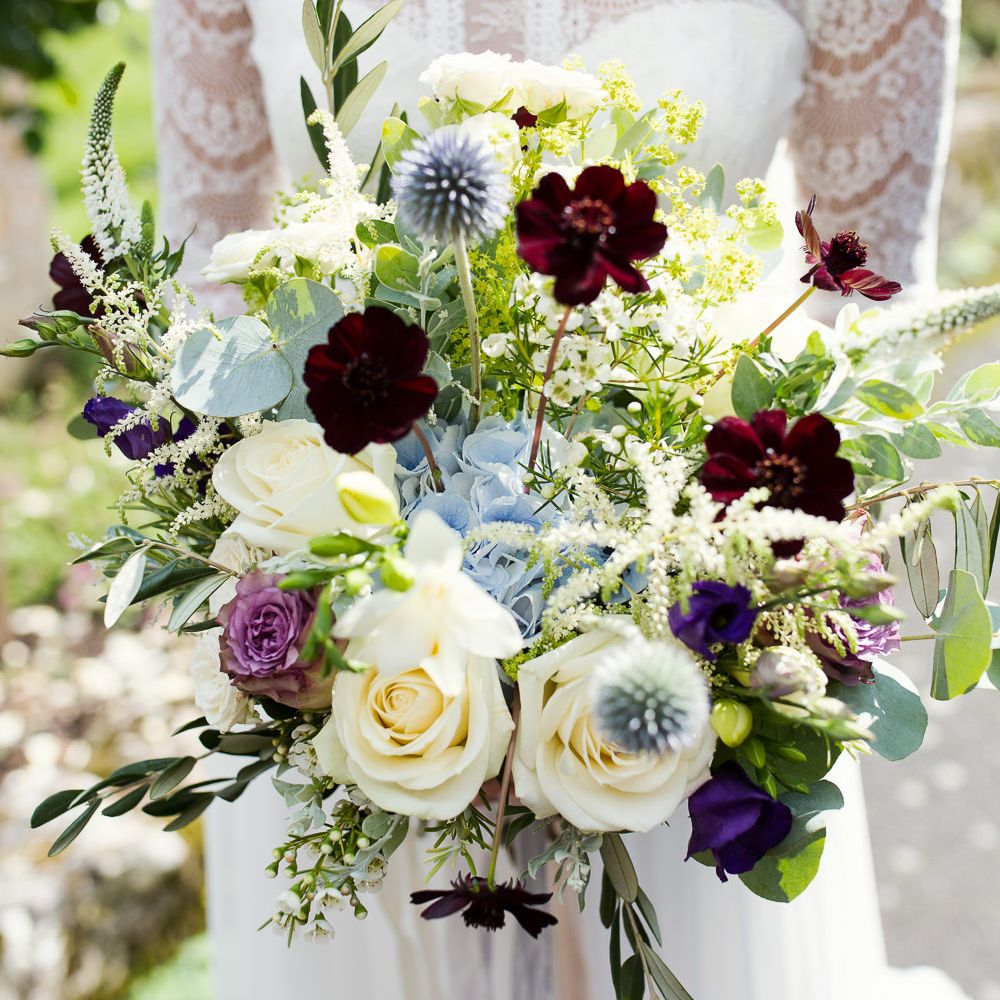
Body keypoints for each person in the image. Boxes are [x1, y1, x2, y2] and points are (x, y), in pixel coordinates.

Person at [151, 2, 970, 997]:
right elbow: (202, 315)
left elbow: (868, 325)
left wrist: (701, 596)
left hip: (690, 664)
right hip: (352, 667)